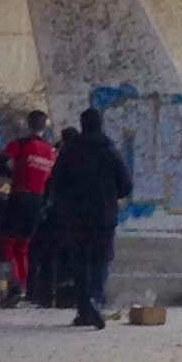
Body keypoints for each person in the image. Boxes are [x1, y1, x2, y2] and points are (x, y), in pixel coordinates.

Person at [47, 108, 132, 330]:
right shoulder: (110, 150)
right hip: (104, 217)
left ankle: (84, 310)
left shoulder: (69, 151)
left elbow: (54, 182)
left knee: (80, 263)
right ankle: (96, 300)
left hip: (75, 217)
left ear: (82, 125)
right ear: (100, 124)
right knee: (101, 261)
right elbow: (126, 186)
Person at [0, 110, 57, 307]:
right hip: (37, 200)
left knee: (7, 241)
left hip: (20, 195)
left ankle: (13, 285)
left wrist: (11, 172)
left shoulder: (20, 145)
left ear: (28, 124)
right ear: (45, 126)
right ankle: (22, 287)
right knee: (23, 245)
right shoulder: (50, 151)